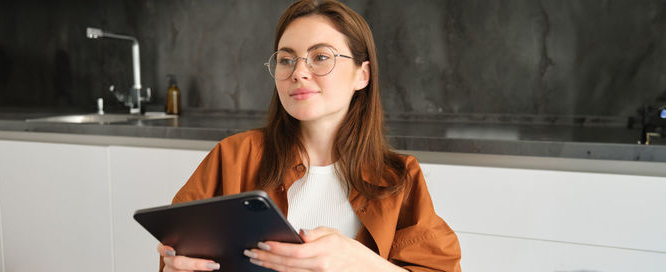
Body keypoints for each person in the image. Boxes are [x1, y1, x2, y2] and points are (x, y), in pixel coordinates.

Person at [157, 0, 462, 271]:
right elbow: (177, 254)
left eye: (320, 57)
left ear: (362, 75)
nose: (298, 72)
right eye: (287, 59)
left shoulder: (399, 179)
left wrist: (361, 263)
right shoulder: (232, 157)